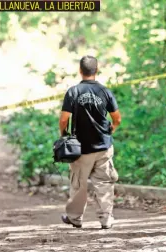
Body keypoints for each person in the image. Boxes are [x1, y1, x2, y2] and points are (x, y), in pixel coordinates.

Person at [59, 55, 122, 229]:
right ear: (97, 70)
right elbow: (117, 118)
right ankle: (106, 219)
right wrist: (112, 129)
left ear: (80, 71)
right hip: (103, 146)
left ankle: (75, 218)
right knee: (104, 183)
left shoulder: (73, 92)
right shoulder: (105, 91)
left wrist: (64, 135)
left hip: (81, 148)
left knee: (78, 183)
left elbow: (64, 119)